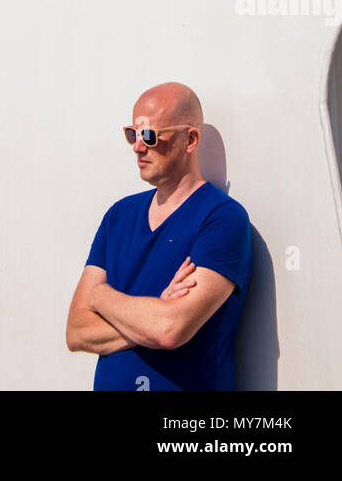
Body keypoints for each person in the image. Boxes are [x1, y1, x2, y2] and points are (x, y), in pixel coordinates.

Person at [66, 81, 252, 390]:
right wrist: (152, 313)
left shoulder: (222, 219)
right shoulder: (118, 216)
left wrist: (101, 297)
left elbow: (169, 329)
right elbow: (76, 331)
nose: (138, 146)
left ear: (190, 139)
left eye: (150, 135)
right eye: (132, 135)